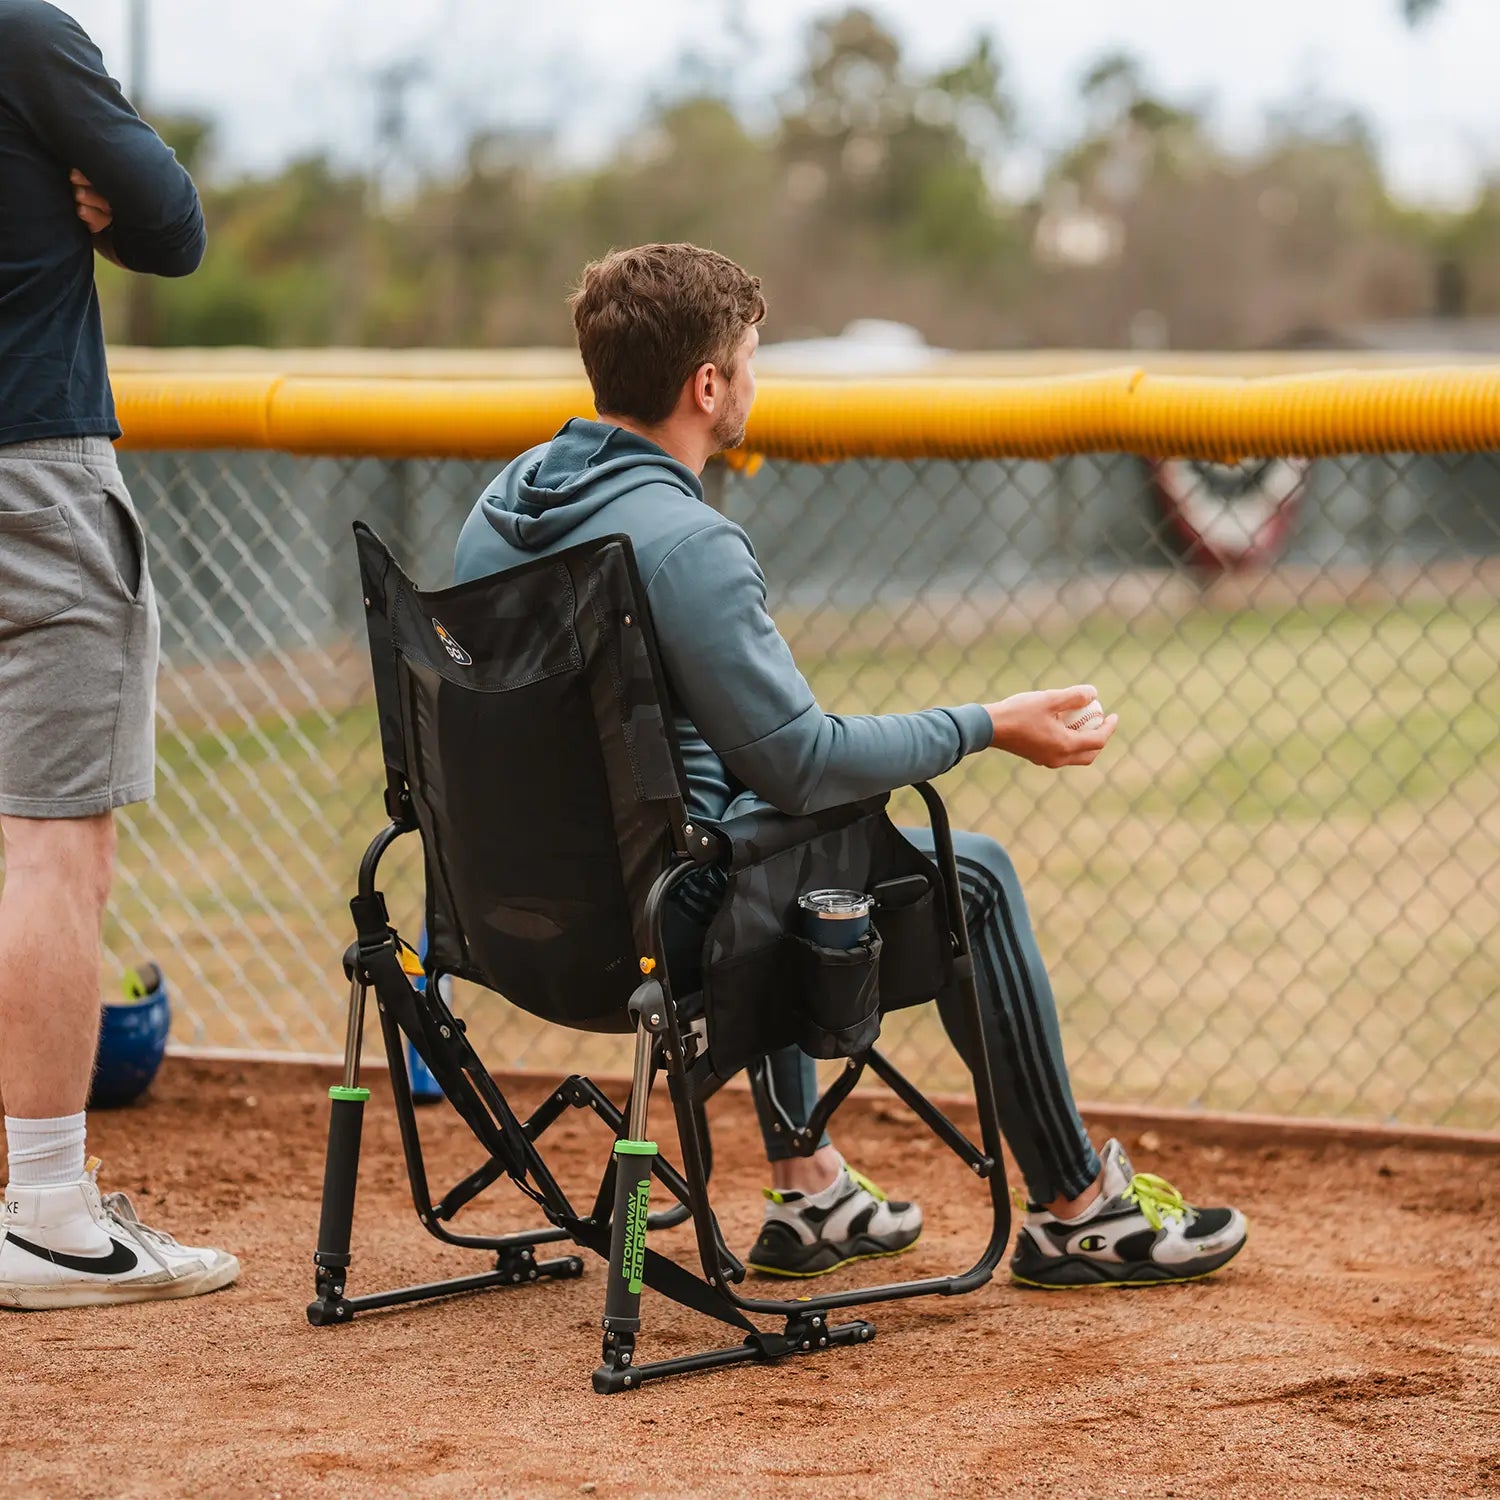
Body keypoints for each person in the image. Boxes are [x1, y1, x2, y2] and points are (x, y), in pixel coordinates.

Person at [455, 242, 1247, 1289]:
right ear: (707, 385)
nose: (752, 379)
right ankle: (1079, 1210)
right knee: (970, 876)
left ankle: (813, 1186)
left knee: (753, 833)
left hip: (506, 920)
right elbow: (803, 763)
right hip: (655, 934)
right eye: (748, 358)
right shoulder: (686, 545)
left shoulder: (500, 505)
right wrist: (989, 722)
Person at [0, 1, 238, 1307]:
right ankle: (45, 1211)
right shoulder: (24, 33)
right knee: (50, 842)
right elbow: (175, 227)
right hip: (28, 474)